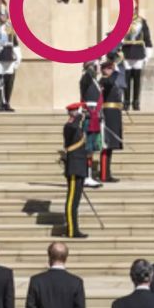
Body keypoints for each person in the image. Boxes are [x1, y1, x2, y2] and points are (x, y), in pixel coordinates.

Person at [120, 0, 154, 111]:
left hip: (138, 52)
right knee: (126, 80)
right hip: (126, 52)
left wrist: (148, 53)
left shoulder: (142, 22)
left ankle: (136, 102)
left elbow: (147, 38)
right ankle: (126, 101)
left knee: (137, 79)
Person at [62, 102, 89, 239]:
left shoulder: (77, 127)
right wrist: (78, 115)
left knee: (76, 201)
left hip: (80, 167)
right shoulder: (69, 126)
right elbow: (73, 126)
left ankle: (74, 229)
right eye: (79, 111)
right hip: (73, 167)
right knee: (72, 201)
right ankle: (71, 230)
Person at [79, 61, 104, 188]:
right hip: (90, 116)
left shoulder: (95, 81)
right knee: (87, 149)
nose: (100, 67)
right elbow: (88, 74)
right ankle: (85, 177)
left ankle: (88, 176)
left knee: (91, 150)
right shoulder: (86, 78)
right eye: (97, 65)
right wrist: (90, 63)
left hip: (95, 116)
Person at [100, 58, 124, 183]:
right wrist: (115, 70)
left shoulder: (109, 80)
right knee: (107, 145)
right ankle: (104, 174)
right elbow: (110, 81)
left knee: (111, 146)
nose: (111, 70)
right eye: (109, 68)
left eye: (111, 68)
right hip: (108, 115)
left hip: (114, 114)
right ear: (104, 70)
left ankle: (107, 173)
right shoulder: (104, 80)